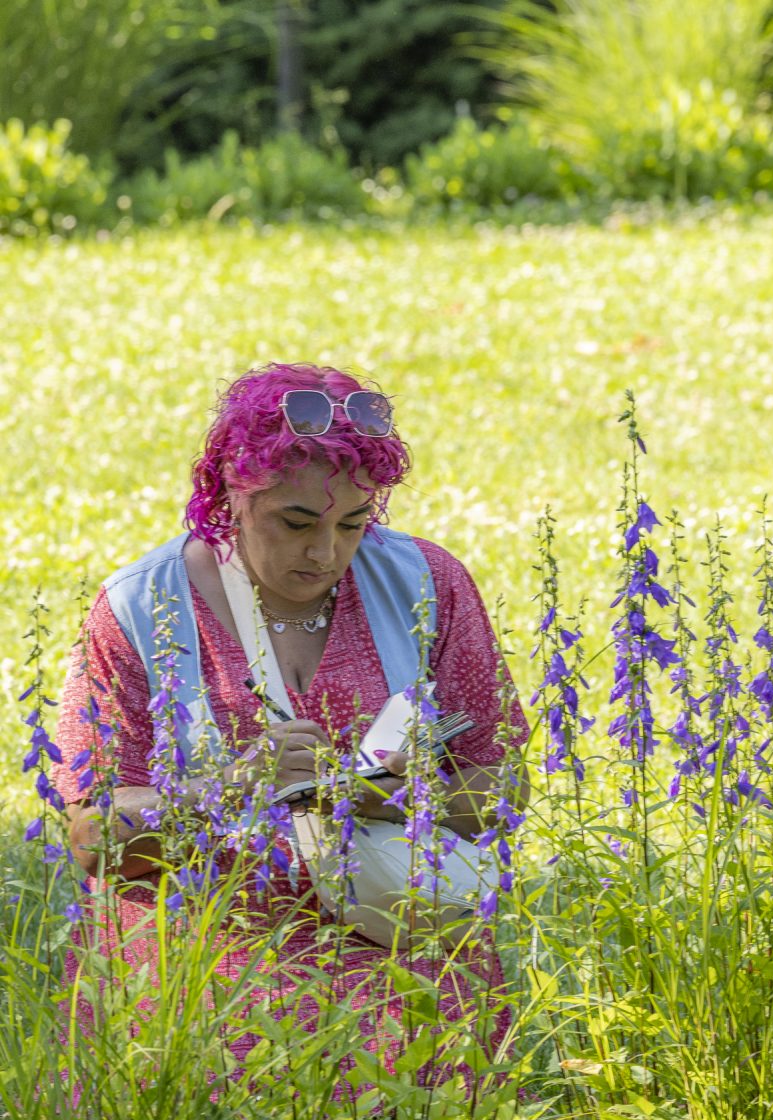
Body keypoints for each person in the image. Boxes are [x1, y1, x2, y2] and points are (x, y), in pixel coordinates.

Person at [53, 361, 530, 1083]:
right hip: (207, 956)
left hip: (397, 939)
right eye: (296, 522)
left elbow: (503, 788)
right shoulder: (139, 607)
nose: (325, 553)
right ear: (229, 495)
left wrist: (361, 795)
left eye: (353, 524)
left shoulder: (427, 585)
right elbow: (92, 839)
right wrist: (232, 788)